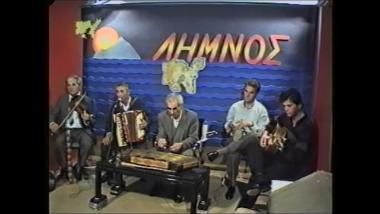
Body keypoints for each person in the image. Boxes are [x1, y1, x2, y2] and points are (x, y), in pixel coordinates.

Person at [207, 79, 270, 200]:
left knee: (251, 137)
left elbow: (263, 131)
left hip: (252, 145)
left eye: (251, 92)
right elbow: (227, 125)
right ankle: (231, 184)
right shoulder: (235, 107)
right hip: (235, 140)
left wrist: (251, 124)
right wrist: (231, 126)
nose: (247, 94)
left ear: (256, 94)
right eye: (245, 91)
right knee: (233, 153)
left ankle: (219, 153)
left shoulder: (261, 110)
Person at [244, 88, 314, 196]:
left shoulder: (306, 126)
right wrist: (266, 133)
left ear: (299, 105)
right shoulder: (285, 118)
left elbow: (300, 156)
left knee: (268, 169)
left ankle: (260, 185)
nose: (286, 109)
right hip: (280, 156)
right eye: (284, 106)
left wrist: (282, 145)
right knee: (254, 155)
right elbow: (273, 123)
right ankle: (258, 185)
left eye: (289, 106)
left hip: (294, 165)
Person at [101, 83, 149, 195]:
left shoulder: (138, 103)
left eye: (122, 91)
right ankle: (115, 178)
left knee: (142, 150)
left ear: (128, 92)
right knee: (107, 146)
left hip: (137, 138)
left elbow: (148, 118)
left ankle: (144, 176)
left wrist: (145, 123)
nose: (119, 94)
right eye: (117, 92)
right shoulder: (115, 107)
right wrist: (108, 134)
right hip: (120, 138)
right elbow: (109, 123)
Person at [49, 75, 97, 181]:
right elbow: (53, 114)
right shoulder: (63, 100)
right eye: (68, 85)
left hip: (82, 130)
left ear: (79, 86)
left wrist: (87, 118)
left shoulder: (87, 100)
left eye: (73, 84)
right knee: (58, 142)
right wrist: (52, 123)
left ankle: (80, 167)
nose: (70, 87)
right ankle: (66, 168)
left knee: (87, 143)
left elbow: (94, 119)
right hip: (66, 130)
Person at [154, 92, 199, 202]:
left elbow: (194, 138)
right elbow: (160, 133)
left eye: (174, 109)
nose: (171, 112)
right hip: (168, 147)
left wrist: (182, 144)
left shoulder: (192, 117)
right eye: (169, 109)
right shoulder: (162, 116)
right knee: (157, 154)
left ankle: (180, 189)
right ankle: (162, 184)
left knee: (186, 156)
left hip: (184, 148)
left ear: (181, 106)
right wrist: (160, 139)